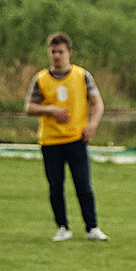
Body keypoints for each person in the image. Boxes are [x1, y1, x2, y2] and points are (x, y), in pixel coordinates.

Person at [24, 31, 105, 243]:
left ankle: (92, 227)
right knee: (55, 186)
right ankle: (62, 227)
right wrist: (50, 110)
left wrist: (92, 125)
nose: (57, 56)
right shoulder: (40, 79)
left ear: (69, 52)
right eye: (53, 52)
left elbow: (97, 102)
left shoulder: (81, 75)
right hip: (51, 141)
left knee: (83, 185)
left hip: (76, 139)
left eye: (60, 52)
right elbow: (29, 107)